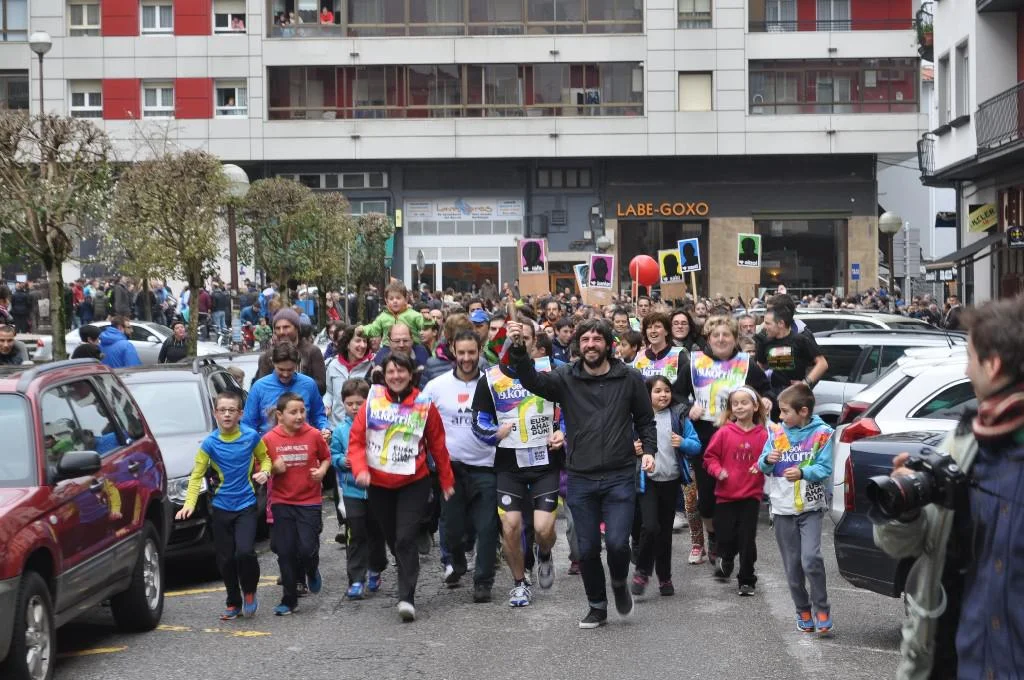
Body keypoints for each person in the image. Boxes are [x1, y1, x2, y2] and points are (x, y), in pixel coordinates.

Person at [874, 297, 1024, 678]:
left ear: (992, 365)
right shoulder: (966, 445)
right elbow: (907, 544)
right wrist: (905, 510)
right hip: (957, 665)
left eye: (970, 357)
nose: (966, 369)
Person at [506, 318, 656, 629]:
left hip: (619, 475)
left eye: (597, 339)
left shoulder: (630, 378)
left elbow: (645, 419)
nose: (591, 345)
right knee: (586, 549)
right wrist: (518, 350)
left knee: (617, 544)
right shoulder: (566, 377)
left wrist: (650, 451)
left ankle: (619, 583)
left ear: (608, 344)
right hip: (581, 477)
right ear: (578, 345)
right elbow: (532, 382)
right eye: (585, 339)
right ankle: (597, 606)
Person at [348, 352, 456, 622]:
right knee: (394, 540)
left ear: (411, 374)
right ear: (383, 375)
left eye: (401, 371)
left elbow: (438, 445)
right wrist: (360, 470)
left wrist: (446, 481)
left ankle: (406, 597)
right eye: (391, 372)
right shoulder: (372, 401)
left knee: (405, 538)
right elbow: (357, 441)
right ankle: (402, 565)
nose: (396, 376)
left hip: (413, 482)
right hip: (378, 483)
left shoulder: (423, 404)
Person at [473, 321, 563, 607]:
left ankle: (544, 554)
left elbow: (571, 410)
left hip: (544, 463)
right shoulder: (490, 379)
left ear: (535, 342)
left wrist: (563, 432)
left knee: (543, 529)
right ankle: (519, 583)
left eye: (524, 338)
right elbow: (478, 421)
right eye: (513, 338)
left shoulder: (551, 373)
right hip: (509, 466)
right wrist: (493, 433)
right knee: (510, 526)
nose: (518, 342)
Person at [677, 315, 773, 567]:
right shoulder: (695, 363)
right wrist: (688, 407)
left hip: (738, 435)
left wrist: (766, 399)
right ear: (708, 339)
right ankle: (712, 535)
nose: (721, 339)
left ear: (734, 338)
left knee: (737, 493)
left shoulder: (746, 363)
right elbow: (676, 394)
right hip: (705, 435)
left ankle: (730, 541)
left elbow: (766, 389)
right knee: (707, 500)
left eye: (726, 335)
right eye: (716, 335)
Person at [176, 392, 270, 620]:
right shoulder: (210, 443)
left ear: (240, 414)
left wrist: (265, 472)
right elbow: (196, 475)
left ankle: (249, 591)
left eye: (231, 410)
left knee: (245, 552)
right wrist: (189, 503)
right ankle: (233, 601)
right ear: (215, 413)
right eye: (222, 410)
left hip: (246, 505)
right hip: (220, 508)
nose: (227, 414)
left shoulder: (250, 437)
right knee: (226, 559)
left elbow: (265, 458)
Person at [423, 330, 499, 603]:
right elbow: (417, 420)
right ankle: (456, 559)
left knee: (487, 527)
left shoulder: (493, 384)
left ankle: (483, 582)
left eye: (472, 352)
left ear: (480, 351)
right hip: (450, 469)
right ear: (453, 352)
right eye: (462, 352)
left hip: (486, 466)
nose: (467, 358)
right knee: (453, 529)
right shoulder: (436, 386)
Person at [757, 383, 834, 636]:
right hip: (783, 508)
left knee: (811, 559)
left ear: (803, 411)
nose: (780, 417)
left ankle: (822, 609)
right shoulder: (777, 433)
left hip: (811, 508)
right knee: (793, 567)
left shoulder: (822, 434)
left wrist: (802, 472)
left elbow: (824, 468)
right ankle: (803, 610)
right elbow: (762, 464)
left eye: (785, 411)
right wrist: (768, 460)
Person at [631, 375, 700, 597]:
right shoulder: (637, 417)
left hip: (671, 481)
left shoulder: (679, 416)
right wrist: (633, 448)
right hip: (647, 481)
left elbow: (696, 445)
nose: (663, 395)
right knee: (650, 527)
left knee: (664, 533)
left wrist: (683, 442)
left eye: (667, 390)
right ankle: (642, 571)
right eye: (658, 391)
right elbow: (622, 444)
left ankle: (665, 577)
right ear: (647, 395)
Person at [264, 392, 332, 616]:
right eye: (293, 412)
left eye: (302, 411)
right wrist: (273, 468)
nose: (299, 416)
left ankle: (311, 570)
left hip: (309, 501)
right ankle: (289, 599)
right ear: (280, 415)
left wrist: (321, 471)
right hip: (282, 501)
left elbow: (326, 457)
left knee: (307, 549)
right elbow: (259, 468)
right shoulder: (269, 439)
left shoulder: (313, 435)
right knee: (285, 552)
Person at [703, 387, 768, 596]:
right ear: (731, 409)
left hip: (751, 495)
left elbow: (768, 460)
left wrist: (761, 465)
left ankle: (747, 579)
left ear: (755, 406)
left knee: (747, 538)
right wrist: (718, 471)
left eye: (744, 402)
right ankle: (727, 557)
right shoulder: (724, 432)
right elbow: (709, 457)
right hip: (726, 495)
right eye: (735, 403)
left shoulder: (763, 435)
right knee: (725, 535)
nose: (739, 407)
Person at [331, 379, 387, 600]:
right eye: (349, 403)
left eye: (359, 403)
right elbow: (333, 454)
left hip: (376, 489)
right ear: (343, 404)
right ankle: (356, 579)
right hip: (351, 490)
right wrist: (340, 460)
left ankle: (376, 567)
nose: (354, 408)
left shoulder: (378, 426)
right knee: (355, 533)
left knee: (377, 532)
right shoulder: (340, 431)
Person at [243, 342, 330, 438]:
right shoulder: (259, 387)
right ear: (273, 363)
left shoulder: (309, 385)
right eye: (281, 369)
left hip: (303, 443)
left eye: (290, 370)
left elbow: (318, 415)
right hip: (268, 444)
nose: (285, 374)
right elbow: (248, 425)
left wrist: (324, 428)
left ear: (297, 365)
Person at [757, 306, 828, 400]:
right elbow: (760, 366)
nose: (764, 327)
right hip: (772, 396)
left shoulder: (800, 340)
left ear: (781, 323)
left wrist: (805, 383)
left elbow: (822, 363)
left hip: (794, 397)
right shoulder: (765, 342)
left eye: (768, 323)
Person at [254, 309, 327, 396]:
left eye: (286, 327)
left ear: (297, 328)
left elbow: (321, 387)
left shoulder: (312, 352)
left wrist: (297, 384)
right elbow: (261, 389)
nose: (281, 332)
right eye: (277, 328)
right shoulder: (267, 356)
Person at [326, 325, 373, 426]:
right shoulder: (333, 365)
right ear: (347, 344)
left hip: (362, 428)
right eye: (358, 341)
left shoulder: (372, 366)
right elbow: (329, 392)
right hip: (335, 427)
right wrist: (326, 405)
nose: (363, 345)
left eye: (365, 341)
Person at [360, 281, 424, 347]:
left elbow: (423, 324)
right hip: (388, 346)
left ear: (406, 299)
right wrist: (363, 330)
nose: (395, 301)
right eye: (391, 299)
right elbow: (374, 328)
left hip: (412, 346)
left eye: (398, 298)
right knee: (380, 354)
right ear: (386, 301)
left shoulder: (412, 314)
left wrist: (427, 320)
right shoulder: (383, 316)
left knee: (422, 352)